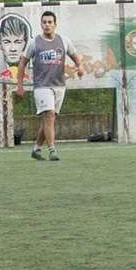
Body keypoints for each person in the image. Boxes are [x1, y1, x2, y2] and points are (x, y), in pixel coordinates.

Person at [16, 11, 84, 161]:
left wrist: (80, 67)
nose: (47, 25)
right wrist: (19, 85)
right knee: (50, 116)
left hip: (59, 86)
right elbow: (22, 63)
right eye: (44, 22)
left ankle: (36, 149)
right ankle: (52, 150)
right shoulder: (34, 43)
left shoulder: (64, 41)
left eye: (50, 22)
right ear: (41, 24)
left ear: (55, 24)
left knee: (49, 120)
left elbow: (75, 56)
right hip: (42, 86)